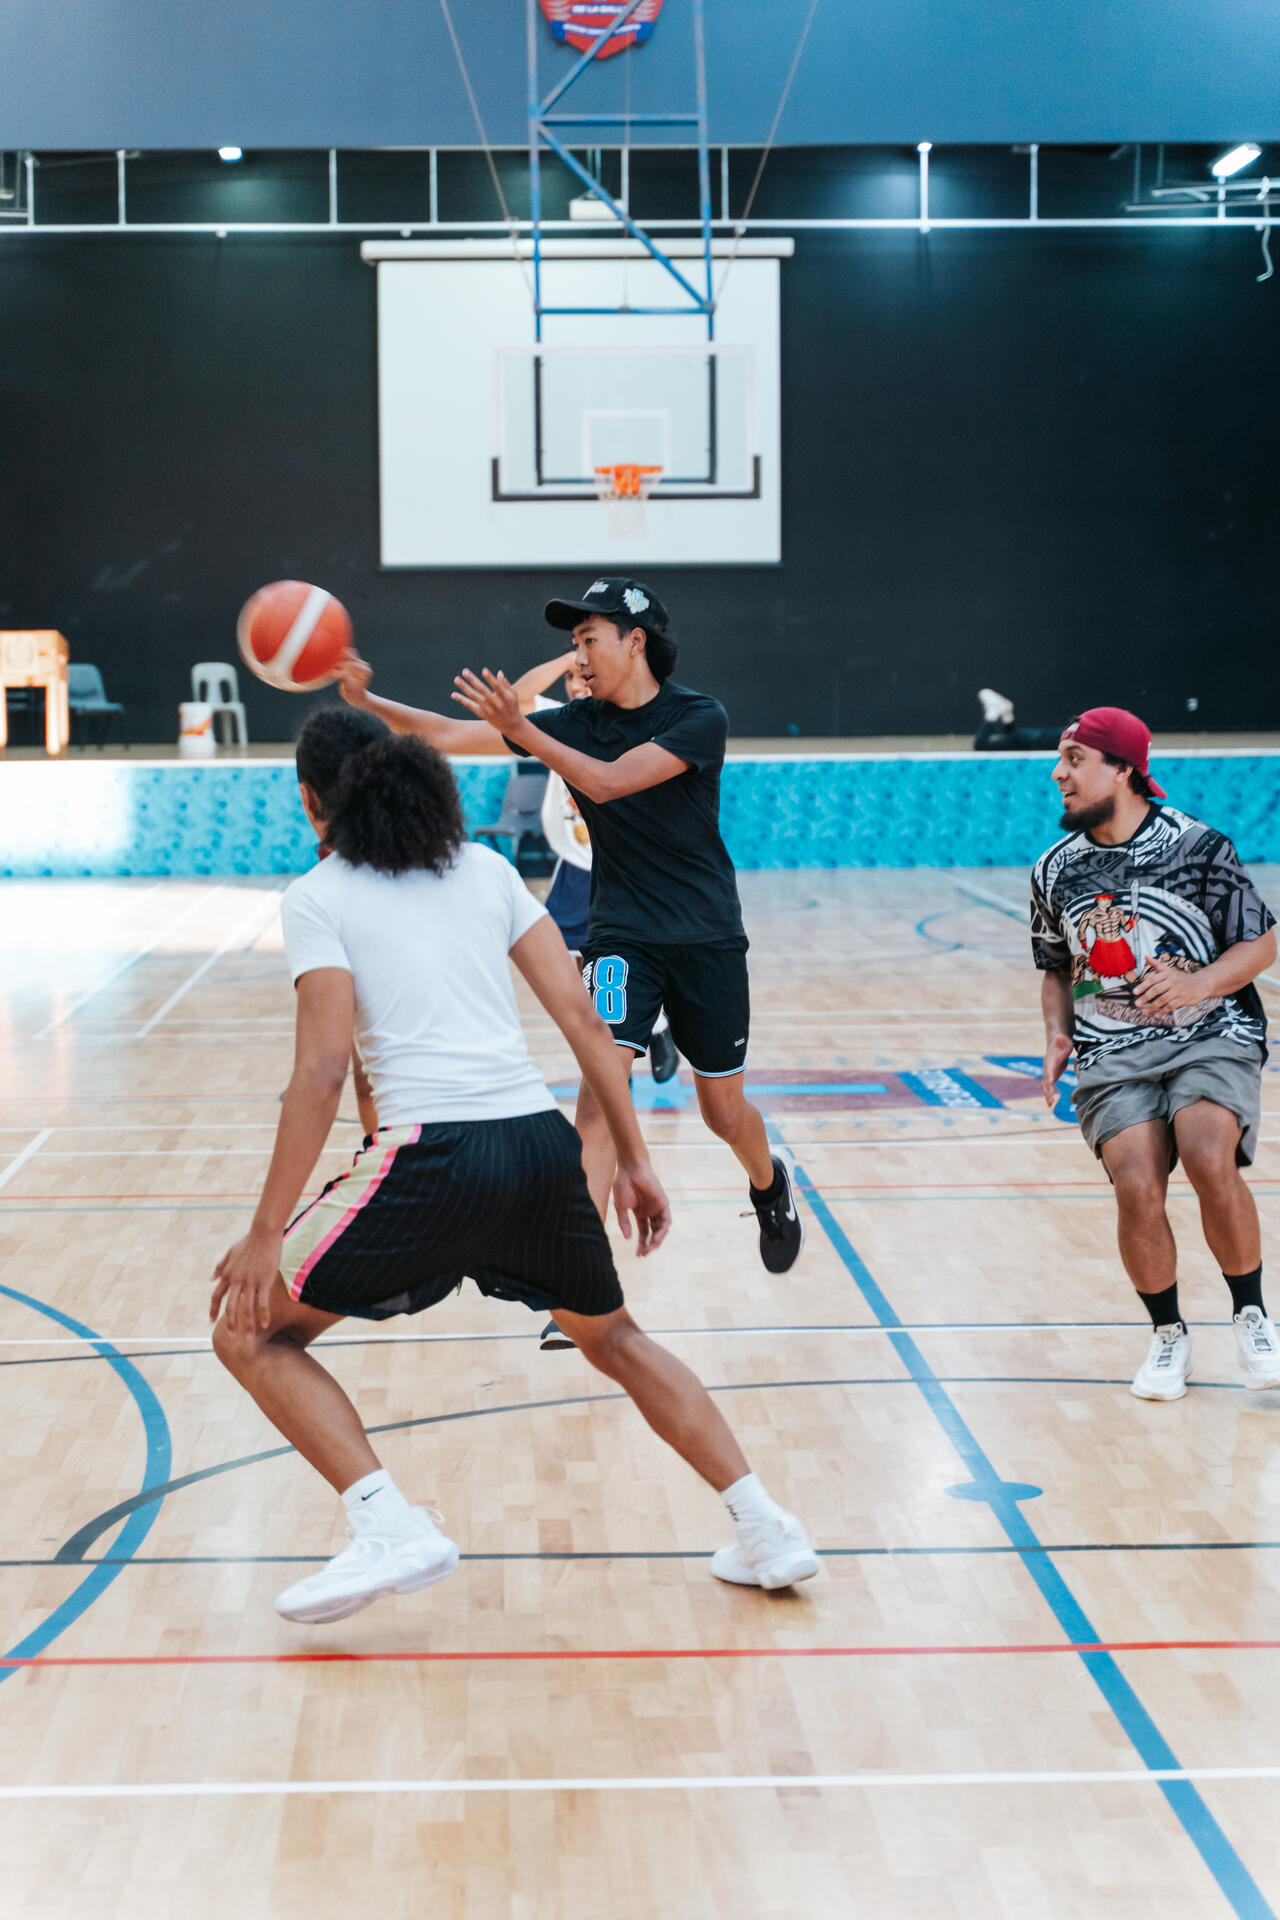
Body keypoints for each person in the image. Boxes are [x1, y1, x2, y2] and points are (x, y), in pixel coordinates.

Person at [209, 707, 819, 1625]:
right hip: (537, 1147)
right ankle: (765, 1525)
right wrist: (635, 1159)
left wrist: (264, 1234)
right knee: (612, 1337)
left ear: (310, 801)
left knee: (247, 1330)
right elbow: (585, 1021)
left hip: (433, 1158)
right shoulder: (485, 869)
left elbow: (324, 1070)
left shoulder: (319, 895)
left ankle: (388, 1524)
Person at [338, 579, 804, 1278]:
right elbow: (444, 735)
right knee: (599, 1090)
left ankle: (770, 1186)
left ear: (635, 640)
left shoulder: (699, 716)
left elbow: (614, 781)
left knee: (723, 1111)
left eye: (589, 638)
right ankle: (581, 1273)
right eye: (576, 641)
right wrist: (366, 702)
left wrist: (522, 728)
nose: (578, 653)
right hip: (621, 934)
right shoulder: (575, 722)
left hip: (706, 935)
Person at [1032, 706, 1280, 1401]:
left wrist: (1197, 983)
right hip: (1112, 1051)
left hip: (1210, 1031)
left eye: (1074, 760)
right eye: (1060, 760)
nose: (1058, 774)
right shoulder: (1055, 870)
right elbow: (1055, 966)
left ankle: (1253, 1315)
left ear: (1124, 770)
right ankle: (1169, 1336)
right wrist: (1057, 1032)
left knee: (1206, 1153)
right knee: (1137, 1185)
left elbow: (1261, 943)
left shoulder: (1199, 847)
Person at [974, 688, 1064, 752]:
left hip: (1037, 739)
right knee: (982, 747)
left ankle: (1006, 717)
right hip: (1039, 740)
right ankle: (995, 712)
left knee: (1014, 738)